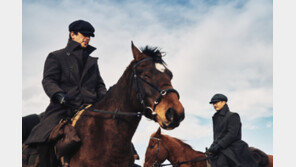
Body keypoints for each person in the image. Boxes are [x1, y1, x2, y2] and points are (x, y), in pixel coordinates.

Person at [24, 20, 107, 167]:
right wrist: (58, 95)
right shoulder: (56, 56)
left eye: (90, 36)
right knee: (44, 139)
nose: (87, 38)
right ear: (72, 34)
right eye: (84, 34)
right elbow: (49, 80)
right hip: (63, 108)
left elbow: (99, 84)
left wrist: (104, 98)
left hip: (90, 108)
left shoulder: (92, 62)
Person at [207, 93, 258, 167]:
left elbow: (232, 134)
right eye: (213, 103)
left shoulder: (233, 116)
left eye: (216, 102)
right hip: (221, 147)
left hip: (233, 147)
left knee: (221, 163)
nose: (214, 105)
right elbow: (217, 136)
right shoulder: (216, 118)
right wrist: (212, 147)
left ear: (223, 102)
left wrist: (219, 145)